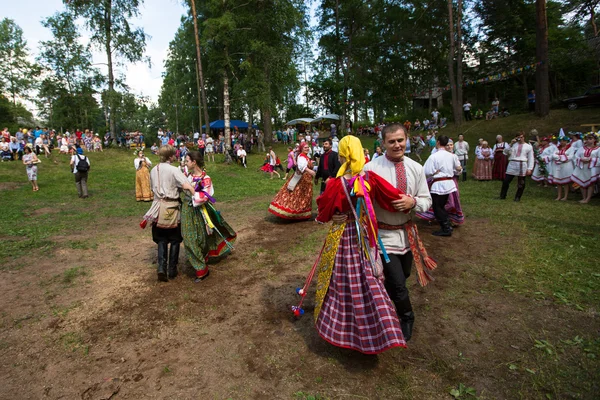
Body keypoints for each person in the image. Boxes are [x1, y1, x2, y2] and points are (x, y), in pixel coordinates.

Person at [295, 135, 406, 354]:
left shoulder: (336, 183)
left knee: (342, 279)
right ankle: (381, 328)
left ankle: (341, 328)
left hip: (342, 236)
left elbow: (325, 210)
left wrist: (330, 216)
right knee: (369, 276)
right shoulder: (370, 178)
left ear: (343, 153)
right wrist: (409, 201)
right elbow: (391, 197)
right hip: (365, 234)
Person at [362, 123, 436, 341]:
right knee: (398, 283)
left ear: (407, 140)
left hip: (407, 234)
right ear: (383, 143)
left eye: (400, 140)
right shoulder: (370, 169)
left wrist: (412, 202)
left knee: (402, 276)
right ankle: (406, 317)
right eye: (391, 141)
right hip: (383, 237)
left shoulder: (416, 168)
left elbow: (427, 200)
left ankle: (381, 304)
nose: (397, 145)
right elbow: (359, 202)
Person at [141, 145, 195, 282]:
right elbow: (186, 185)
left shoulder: (153, 170)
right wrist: (197, 195)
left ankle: (161, 268)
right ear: (171, 156)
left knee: (161, 238)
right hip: (171, 207)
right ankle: (172, 269)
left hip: (158, 207)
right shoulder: (173, 170)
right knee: (175, 238)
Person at [181, 151, 236, 282]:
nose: (185, 163)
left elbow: (205, 197)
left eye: (187, 161)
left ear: (194, 162)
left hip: (200, 211)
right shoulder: (185, 175)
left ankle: (202, 256)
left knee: (201, 238)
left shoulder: (206, 179)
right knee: (188, 238)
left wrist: (190, 188)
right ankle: (201, 269)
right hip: (187, 211)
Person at [416, 139, 464, 227]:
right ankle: (442, 221)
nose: (449, 147)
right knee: (439, 204)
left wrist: (459, 169)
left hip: (450, 182)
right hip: (440, 182)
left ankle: (446, 222)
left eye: (451, 145)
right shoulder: (437, 155)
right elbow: (428, 169)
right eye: (448, 145)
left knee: (448, 203)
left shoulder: (453, 156)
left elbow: (457, 170)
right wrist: (433, 172)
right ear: (444, 146)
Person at [268, 143, 315, 220]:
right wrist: (309, 170)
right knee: (296, 195)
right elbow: (301, 166)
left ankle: (301, 213)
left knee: (304, 196)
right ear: (301, 149)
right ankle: (290, 213)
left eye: (307, 147)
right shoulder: (301, 156)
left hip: (307, 180)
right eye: (305, 147)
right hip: (300, 179)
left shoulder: (306, 157)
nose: (307, 148)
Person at [499, 131, 534, 202]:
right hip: (512, 163)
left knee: (521, 182)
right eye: (519, 137)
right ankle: (502, 195)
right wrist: (511, 144)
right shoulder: (513, 145)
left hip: (522, 164)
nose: (520, 139)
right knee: (506, 181)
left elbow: (531, 158)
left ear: (524, 137)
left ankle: (517, 197)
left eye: (521, 137)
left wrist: (530, 168)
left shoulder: (528, 147)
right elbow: (505, 152)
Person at [572, 133, 599, 204]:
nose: (588, 140)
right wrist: (580, 160)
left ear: (595, 140)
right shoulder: (581, 148)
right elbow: (575, 157)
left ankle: (588, 198)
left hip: (591, 168)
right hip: (582, 167)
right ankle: (584, 197)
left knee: (590, 183)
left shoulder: (598, 149)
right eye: (587, 139)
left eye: (590, 139)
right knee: (581, 182)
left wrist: (591, 160)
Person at [549, 136, 575, 201]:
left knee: (565, 182)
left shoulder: (571, 148)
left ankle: (565, 196)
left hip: (566, 166)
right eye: (560, 141)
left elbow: (571, 156)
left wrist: (561, 157)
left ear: (567, 141)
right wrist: (561, 157)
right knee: (558, 182)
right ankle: (559, 196)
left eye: (563, 141)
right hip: (558, 166)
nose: (562, 142)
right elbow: (553, 155)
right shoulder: (557, 148)